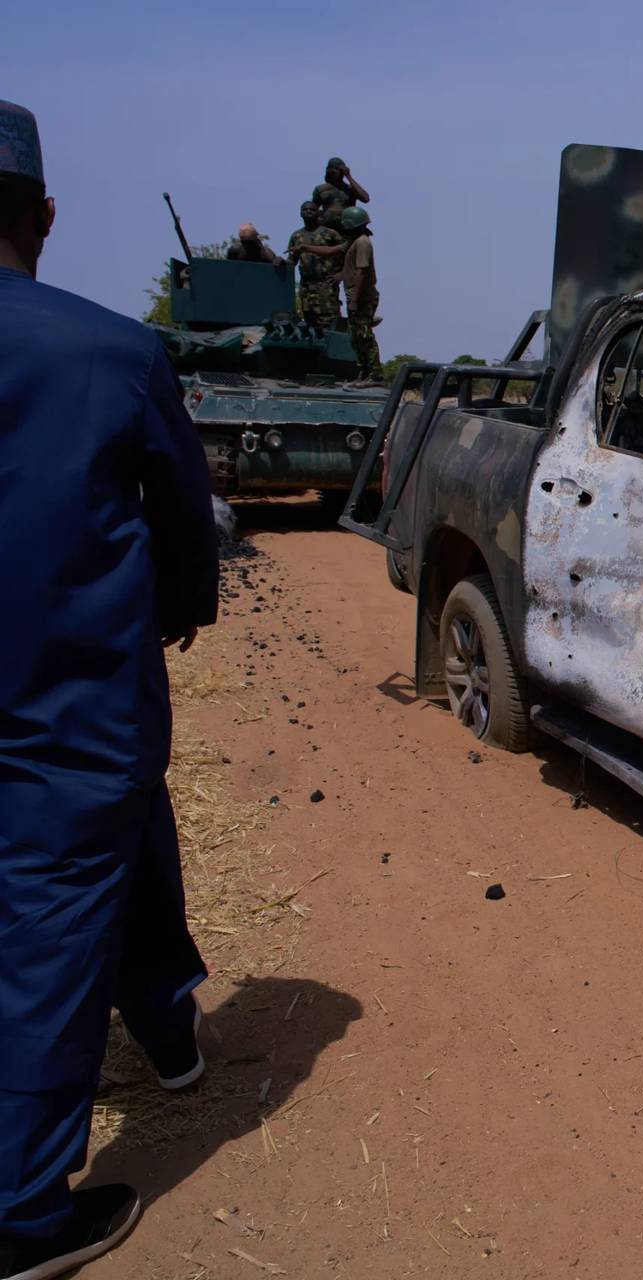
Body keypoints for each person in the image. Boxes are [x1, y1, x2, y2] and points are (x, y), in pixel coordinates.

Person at [0, 99, 218, 1280]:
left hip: (82, 730)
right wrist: (183, 605)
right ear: (41, 214)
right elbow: (187, 518)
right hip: (67, 699)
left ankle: (170, 1026)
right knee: (49, 913)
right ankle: (23, 1214)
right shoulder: (113, 353)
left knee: (124, 838)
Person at [287, 201, 344, 331]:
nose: (308, 211)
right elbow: (292, 260)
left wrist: (342, 274)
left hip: (325, 285)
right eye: (305, 209)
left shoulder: (330, 234)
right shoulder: (296, 236)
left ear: (318, 212)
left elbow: (347, 253)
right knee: (309, 323)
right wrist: (281, 262)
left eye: (312, 209)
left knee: (329, 323)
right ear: (300, 213)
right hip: (306, 287)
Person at [337, 206, 379, 379]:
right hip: (356, 295)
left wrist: (354, 299)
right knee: (356, 337)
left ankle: (374, 374)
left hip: (362, 296)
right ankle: (364, 371)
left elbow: (362, 271)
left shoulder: (362, 242)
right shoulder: (357, 241)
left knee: (364, 336)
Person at [311, 157, 369, 229]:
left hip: (348, 226)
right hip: (328, 227)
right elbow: (313, 209)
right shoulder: (321, 189)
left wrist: (348, 176)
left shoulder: (350, 189)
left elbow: (365, 198)